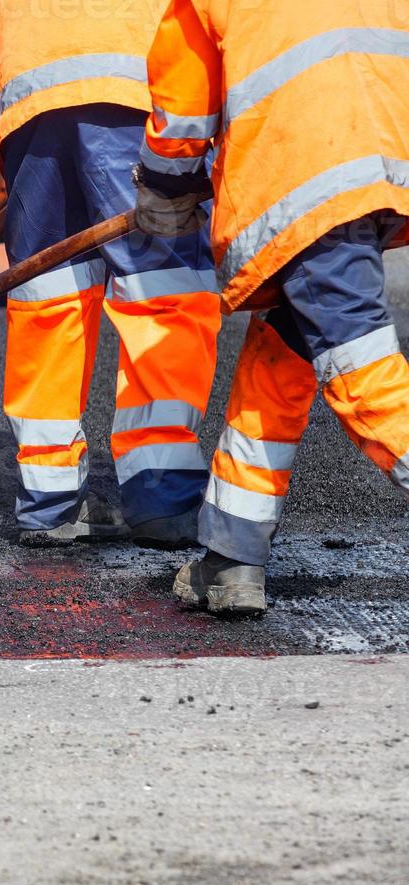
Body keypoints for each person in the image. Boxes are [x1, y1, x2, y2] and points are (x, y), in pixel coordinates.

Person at [137, 0, 409, 616]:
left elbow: (182, 112)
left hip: (304, 181)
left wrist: (162, 186)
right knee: (278, 360)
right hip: (378, 175)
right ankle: (231, 559)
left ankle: (231, 560)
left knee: (363, 374)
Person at [0, 0, 222, 547]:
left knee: (49, 292)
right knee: (164, 287)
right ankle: (162, 493)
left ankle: (48, 500)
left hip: (29, 88)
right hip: (137, 76)